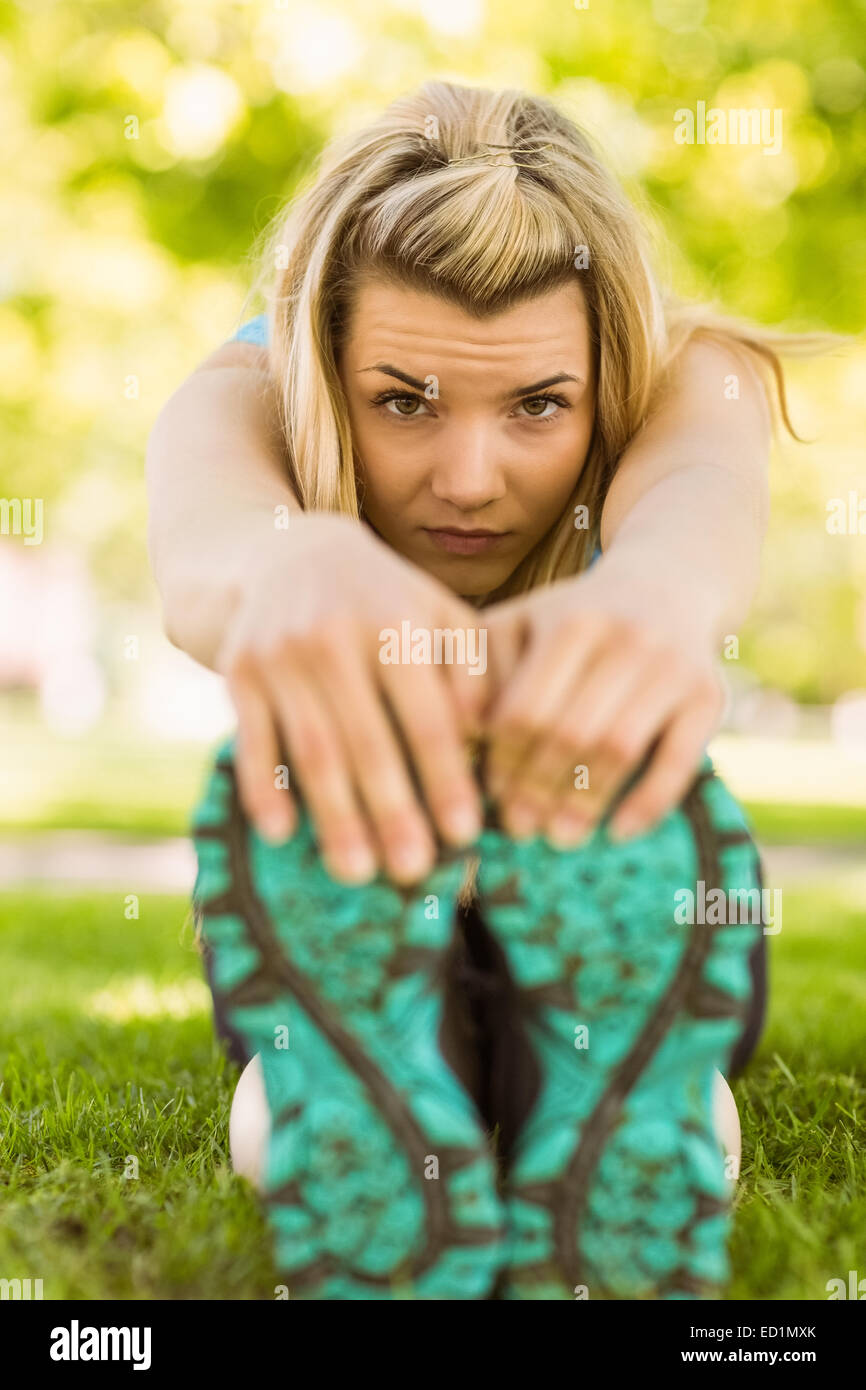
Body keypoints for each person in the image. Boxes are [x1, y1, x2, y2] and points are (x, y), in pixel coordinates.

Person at [146, 80, 811, 1300]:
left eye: (537, 407)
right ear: (325, 365)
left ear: (601, 369)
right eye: (402, 401)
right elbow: (203, 551)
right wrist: (289, 562)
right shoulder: (246, 388)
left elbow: (694, 527)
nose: (467, 478)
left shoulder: (682, 374)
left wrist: (652, 601)